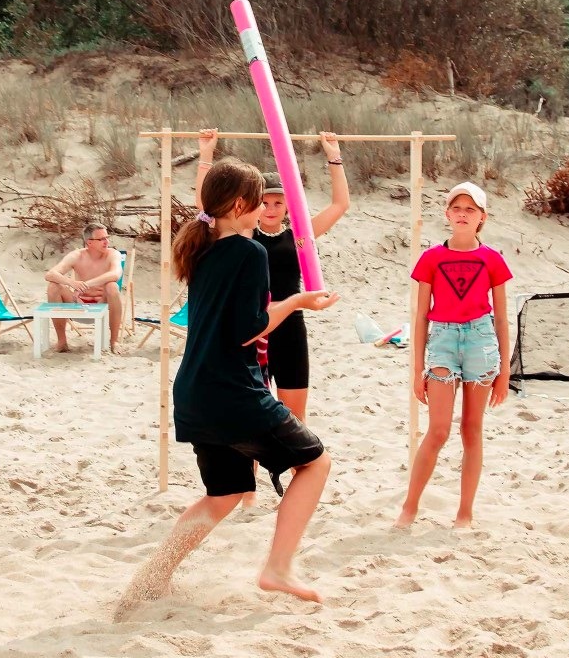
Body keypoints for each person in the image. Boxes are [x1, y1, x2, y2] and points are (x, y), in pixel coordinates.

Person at [117, 159, 337, 615]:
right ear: (240, 205)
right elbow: (248, 330)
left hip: (195, 390)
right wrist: (296, 302)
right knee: (316, 463)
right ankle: (278, 568)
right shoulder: (249, 252)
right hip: (231, 390)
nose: (262, 211)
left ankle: (150, 580)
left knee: (224, 495)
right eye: (257, 203)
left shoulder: (201, 248)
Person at [195, 129, 350, 423]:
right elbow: (206, 207)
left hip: (290, 328)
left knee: (295, 418)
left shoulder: (300, 236)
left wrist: (334, 157)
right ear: (251, 203)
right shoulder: (244, 234)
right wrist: (206, 154)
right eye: (264, 202)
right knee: (251, 418)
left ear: (289, 205)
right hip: (254, 327)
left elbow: (340, 205)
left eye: (278, 202)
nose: (270, 209)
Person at [393, 182, 511, 531]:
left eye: (470, 209)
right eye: (457, 208)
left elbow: (501, 318)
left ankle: (465, 513)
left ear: (482, 217)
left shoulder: (492, 259)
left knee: (471, 429)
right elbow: (420, 316)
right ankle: (409, 508)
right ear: (447, 214)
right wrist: (418, 369)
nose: (463, 214)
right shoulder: (431, 258)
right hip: (443, 339)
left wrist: (505, 369)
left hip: (481, 340)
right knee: (438, 430)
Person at [43, 222, 124, 353]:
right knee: (53, 286)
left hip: (102, 303)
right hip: (78, 303)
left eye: (107, 237)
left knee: (112, 286)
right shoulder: (77, 255)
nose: (106, 242)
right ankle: (62, 342)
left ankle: (114, 341)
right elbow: (50, 274)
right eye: (101, 239)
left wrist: (87, 284)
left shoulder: (113, 254)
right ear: (89, 242)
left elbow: (115, 274)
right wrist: (72, 283)